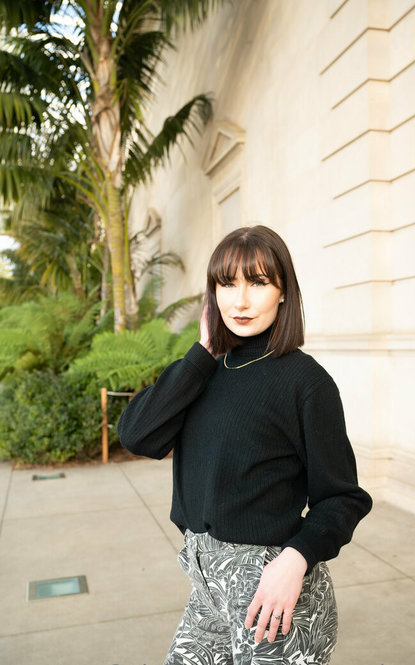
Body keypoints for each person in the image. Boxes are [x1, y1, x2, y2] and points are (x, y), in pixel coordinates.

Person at [117, 225, 373, 665]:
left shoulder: (306, 383)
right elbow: (137, 435)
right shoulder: (205, 370)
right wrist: (203, 350)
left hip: (276, 601)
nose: (239, 301)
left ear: (283, 292)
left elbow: (343, 498)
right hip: (208, 594)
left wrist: (296, 560)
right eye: (226, 284)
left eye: (257, 283)